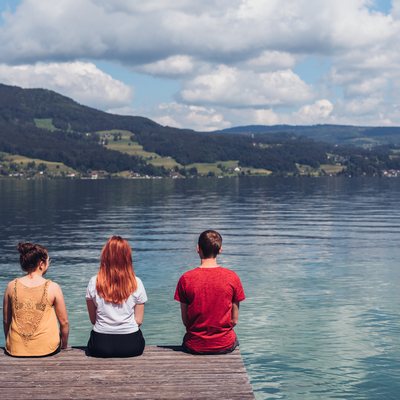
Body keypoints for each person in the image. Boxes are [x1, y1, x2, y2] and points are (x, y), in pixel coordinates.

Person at [174, 230, 245, 354]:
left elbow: (185, 320)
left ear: (198, 249)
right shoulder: (232, 277)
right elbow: (234, 320)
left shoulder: (186, 279)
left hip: (194, 345)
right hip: (225, 344)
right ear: (220, 250)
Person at [3, 242, 69, 357]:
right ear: (41, 264)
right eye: (48, 261)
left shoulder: (11, 286)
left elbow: (6, 321)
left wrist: (11, 343)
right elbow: (64, 322)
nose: (49, 264)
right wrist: (64, 345)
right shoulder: (53, 287)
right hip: (47, 349)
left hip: (15, 349)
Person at [85, 235, 147, 357]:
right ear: (127, 257)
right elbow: (138, 321)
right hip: (131, 345)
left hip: (100, 345)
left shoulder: (94, 282)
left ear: (105, 257)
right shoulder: (137, 282)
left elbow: (93, 320)